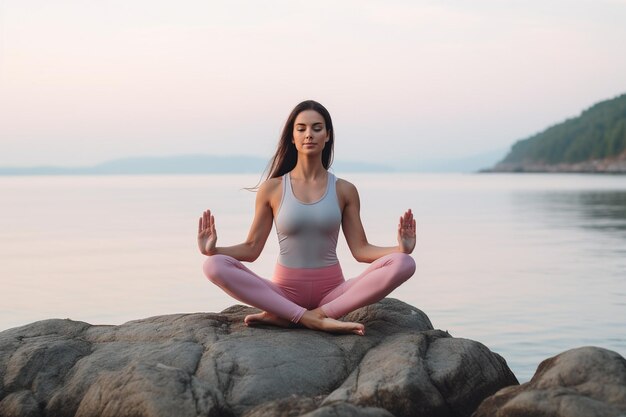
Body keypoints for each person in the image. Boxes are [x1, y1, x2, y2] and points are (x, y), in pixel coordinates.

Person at [198, 100, 416, 336]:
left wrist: (400, 248)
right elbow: (252, 249)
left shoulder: (344, 190)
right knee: (213, 265)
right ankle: (305, 317)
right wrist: (213, 250)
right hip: (283, 294)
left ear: (328, 135)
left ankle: (310, 315)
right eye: (301, 129)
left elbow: (361, 250)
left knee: (404, 263)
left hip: (333, 296)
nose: (308, 135)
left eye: (317, 128)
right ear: (292, 137)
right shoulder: (272, 189)